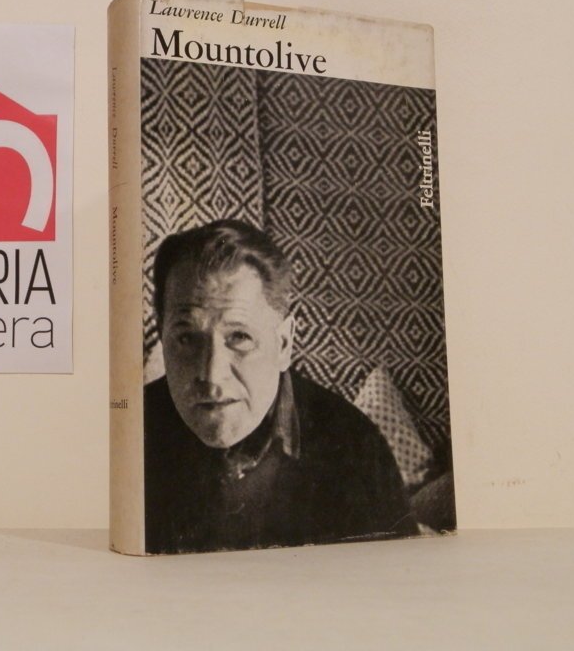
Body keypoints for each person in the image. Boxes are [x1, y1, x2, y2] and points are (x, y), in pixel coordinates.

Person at [145, 219, 417, 553]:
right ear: (163, 337)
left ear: (284, 344)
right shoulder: (129, 432)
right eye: (187, 339)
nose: (212, 375)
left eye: (239, 337)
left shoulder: (354, 449)